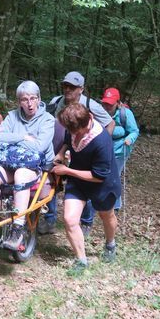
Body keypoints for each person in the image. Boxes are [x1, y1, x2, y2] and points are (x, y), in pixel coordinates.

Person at [0, 81, 55, 249]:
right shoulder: (12, 116)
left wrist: (13, 138)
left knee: (21, 174)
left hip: (36, 167)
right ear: (19, 101)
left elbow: (40, 147)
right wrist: (24, 137)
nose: (30, 103)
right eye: (25, 99)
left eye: (33, 98)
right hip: (10, 163)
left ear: (39, 99)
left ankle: (17, 228)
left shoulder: (48, 120)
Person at [37, 71, 114, 237]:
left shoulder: (91, 105)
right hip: (59, 148)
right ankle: (50, 219)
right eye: (65, 85)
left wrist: (98, 147)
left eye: (72, 87)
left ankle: (86, 222)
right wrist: (62, 150)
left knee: (86, 184)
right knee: (51, 181)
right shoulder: (56, 102)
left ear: (81, 89)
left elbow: (110, 123)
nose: (67, 89)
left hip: (86, 152)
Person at [51, 103, 120, 274]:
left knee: (106, 215)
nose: (72, 133)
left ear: (87, 122)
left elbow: (99, 175)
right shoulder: (73, 126)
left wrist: (66, 170)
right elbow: (68, 140)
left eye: (75, 131)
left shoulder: (101, 140)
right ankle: (81, 260)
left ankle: (110, 244)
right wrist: (61, 153)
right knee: (69, 219)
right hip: (78, 181)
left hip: (102, 184)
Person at [100, 87, 140, 211]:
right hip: (102, 149)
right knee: (102, 175)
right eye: (105, 103)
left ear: (117, 103)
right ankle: (101, 199)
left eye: (110, 104)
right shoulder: (99, 112)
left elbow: (134, 131)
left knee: (114, 176)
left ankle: (115, 205)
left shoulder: (125, 114)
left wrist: (129, 139)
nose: (107, 107)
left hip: (120, 150)